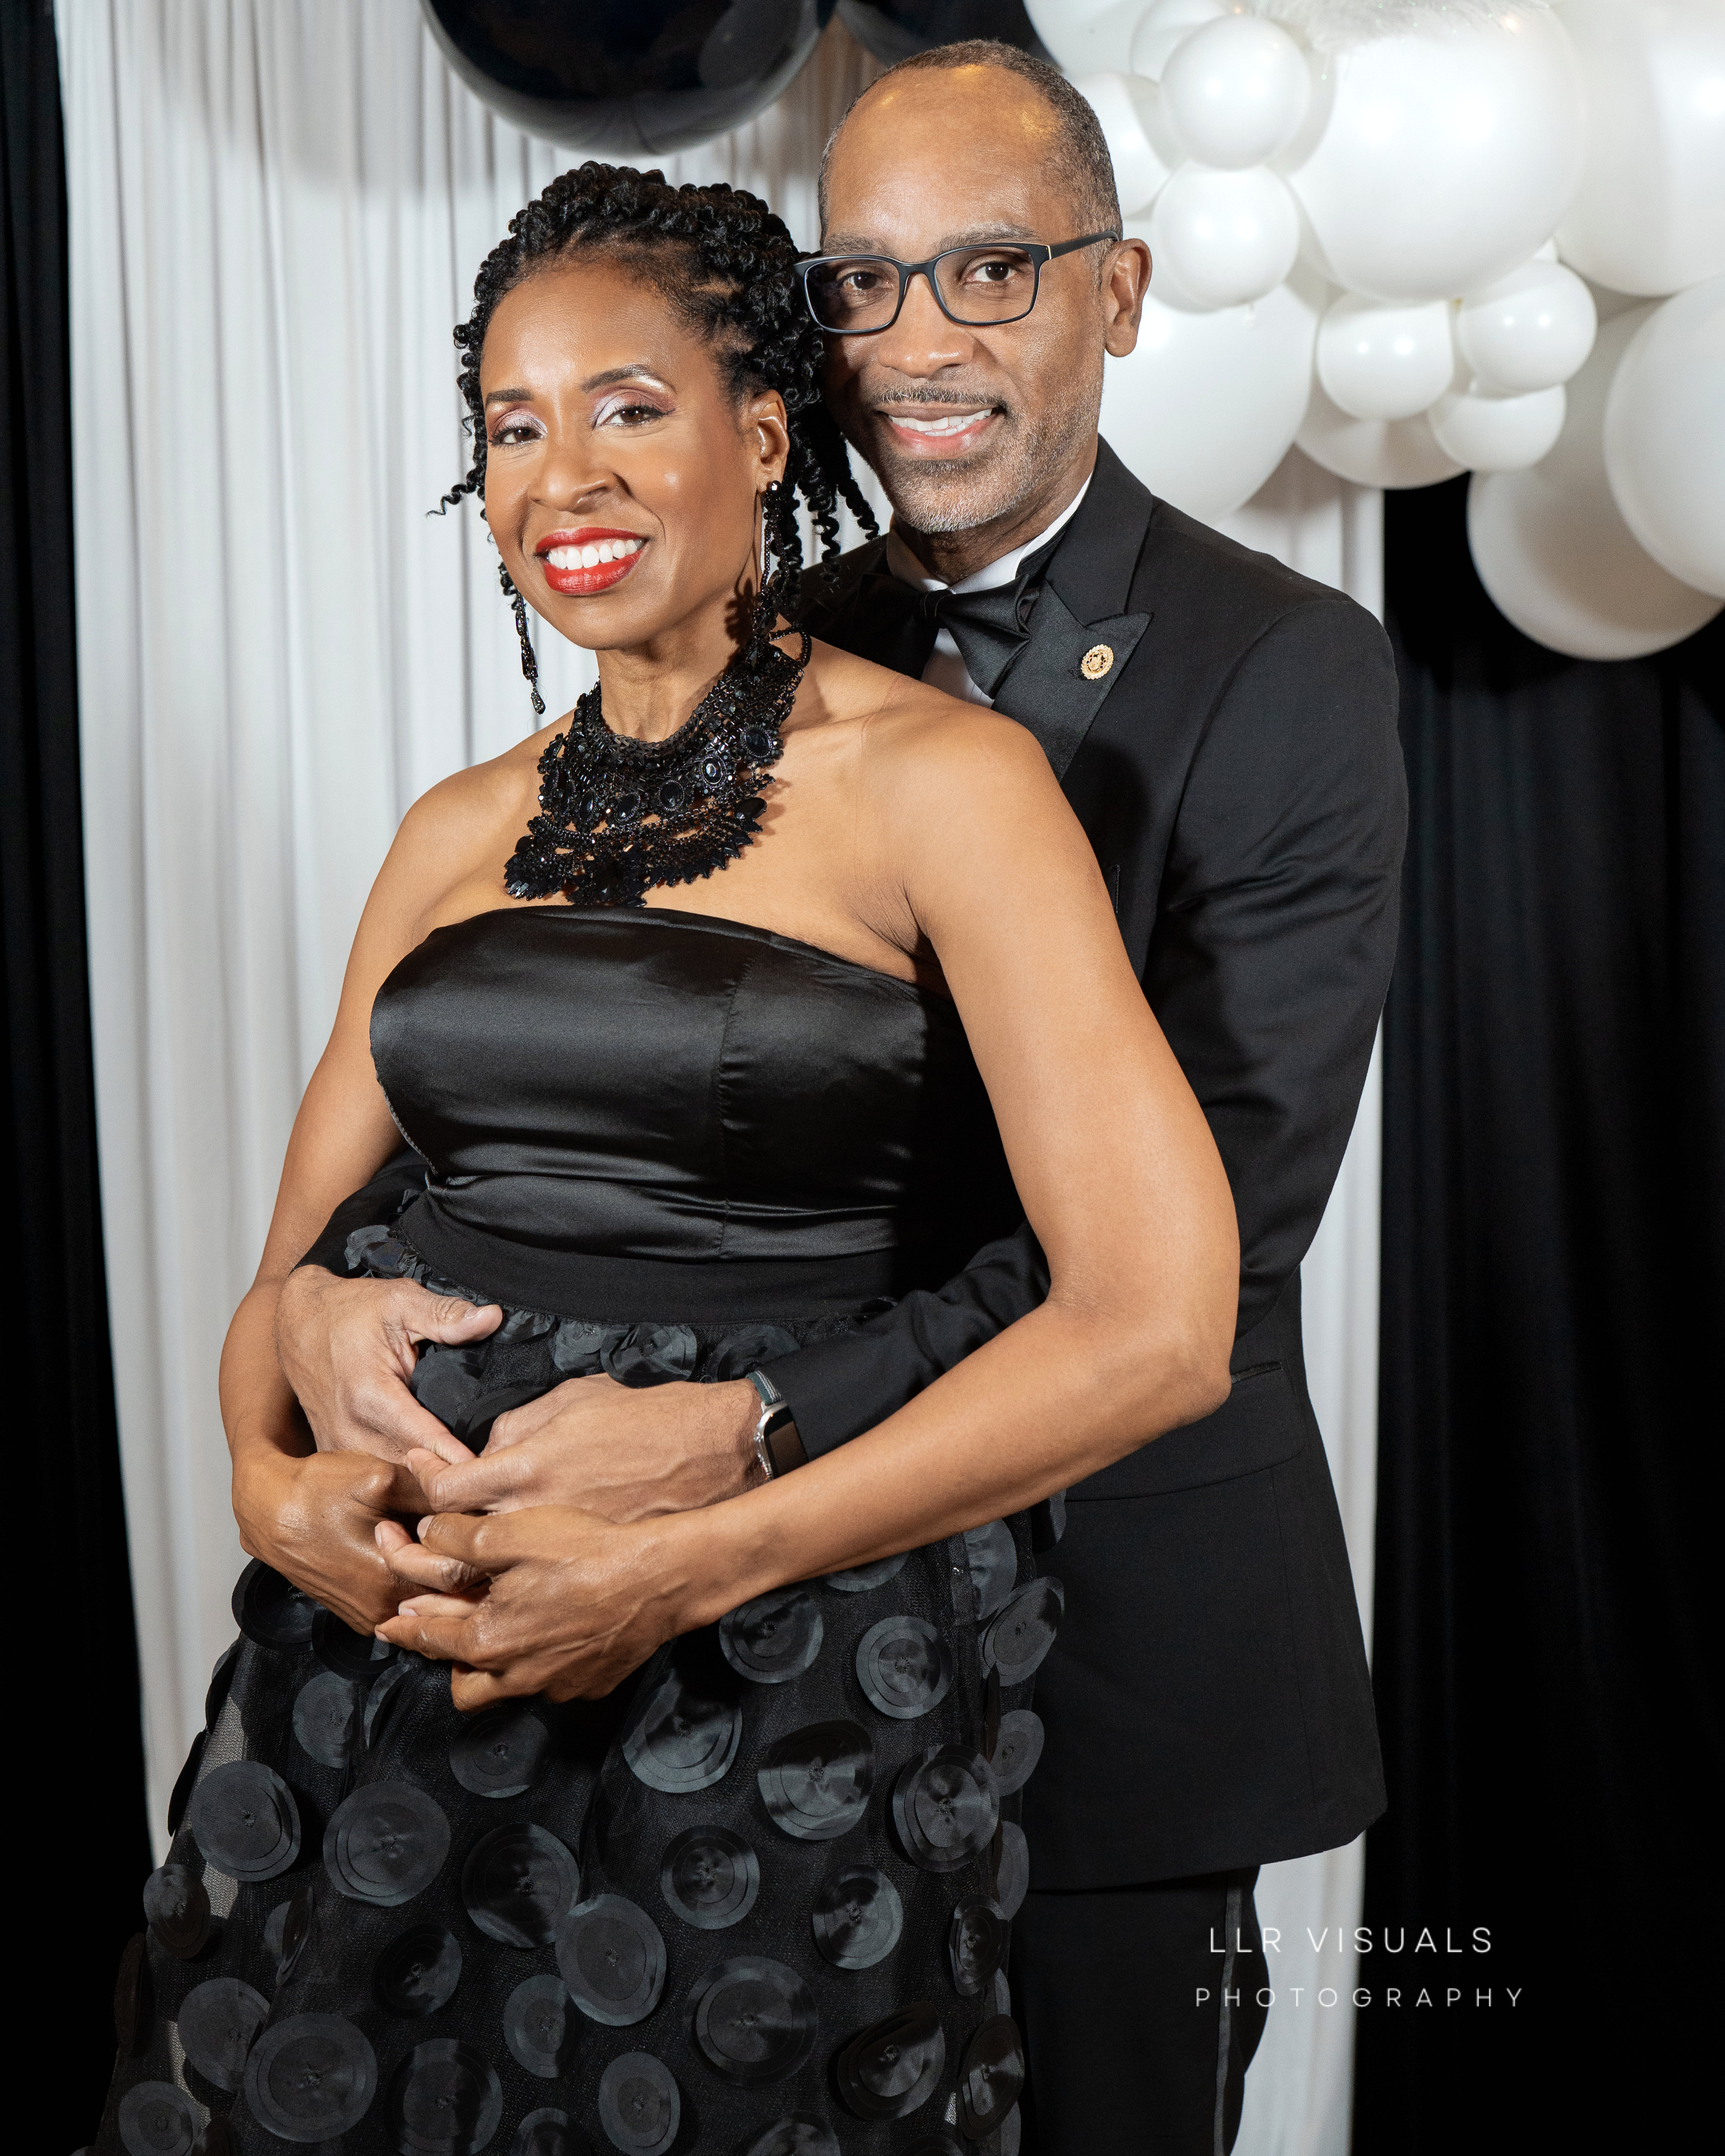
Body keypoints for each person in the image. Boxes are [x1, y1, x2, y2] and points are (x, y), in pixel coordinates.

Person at [277, 42, 1406, 2156]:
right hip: (731, 1666)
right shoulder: (759, 650)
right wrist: (328, 1309)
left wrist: (750, 1423)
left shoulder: (1283, 671)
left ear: (1117, 293)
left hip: (1113, 1646)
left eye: (991, 270)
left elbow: (1210, 1250)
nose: (920, 341)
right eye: (864, 283)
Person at [95, 162, 1238, 2156]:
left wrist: (692, 1553)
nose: (565, 475)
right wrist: (271, 1483)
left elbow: (1158, 1328)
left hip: (773, 1665)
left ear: (765, 435)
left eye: (628, 406)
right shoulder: (455, 828)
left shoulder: (949, 787)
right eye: (512, 427)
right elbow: (279, 1285)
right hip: (395, 1661)